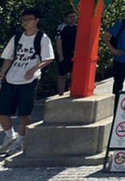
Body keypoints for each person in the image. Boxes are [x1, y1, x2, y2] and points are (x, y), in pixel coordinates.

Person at [0, 9, 55, 155]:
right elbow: (8, 56)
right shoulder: (17, 37)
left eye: (29, 19)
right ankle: (10, 136)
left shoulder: (42, 38)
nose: (26, 22)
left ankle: (21, 140)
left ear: (36, 20)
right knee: (3, 111)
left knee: (25, 112)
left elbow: (48, 58)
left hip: (29, 79)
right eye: (24, 19)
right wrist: (2, 73)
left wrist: (33, 69)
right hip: (12, 77)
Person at [54, 9, 78, 96]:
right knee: (62, 74)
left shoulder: (77, 27)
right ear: (66, 18)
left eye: (74, 17)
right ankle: (60, 93)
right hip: (64, 53)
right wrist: (60, 55)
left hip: (74, 53)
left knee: (74, 74)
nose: (73, 19)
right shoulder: (62, 27)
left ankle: (73, 91)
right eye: (71, 17)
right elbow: (58, 41)